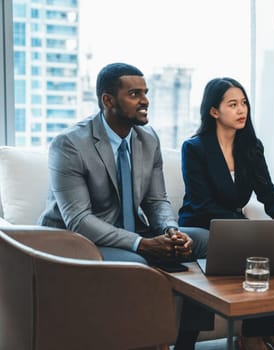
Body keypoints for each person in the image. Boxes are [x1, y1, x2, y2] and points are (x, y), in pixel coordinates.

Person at [38, 62, 212, 349]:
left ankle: (185, 343)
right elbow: (79, 220)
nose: (145, 101)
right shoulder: (69, 144)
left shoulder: (148, 138)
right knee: (137, 264)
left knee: (206, 241)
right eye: (134, 94)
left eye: (145, 92)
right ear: (108, 100)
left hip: (129, 233)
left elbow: (156, 200)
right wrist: (142, 245)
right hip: (74, 242)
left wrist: (170, 231)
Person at [178, 77, 274, 350]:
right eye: (232, 104)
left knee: (273, 254)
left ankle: (256, 336)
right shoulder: (194, 148)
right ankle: (185, 344)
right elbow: (201, 203)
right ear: (214, 111)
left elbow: (268, 192)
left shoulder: (251, 147)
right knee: (247, 246)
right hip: (199, 223)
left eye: (244, 103)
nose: (241, 110)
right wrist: (245, 227)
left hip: (235, 228)